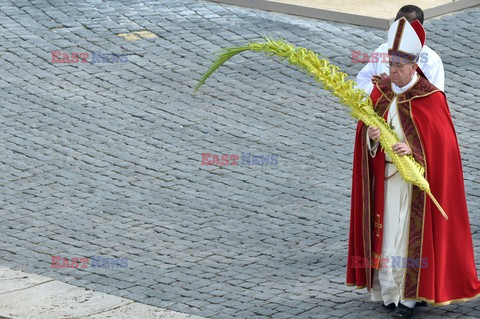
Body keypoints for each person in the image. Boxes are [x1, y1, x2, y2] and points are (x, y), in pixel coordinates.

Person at [346, 17, 480, 318]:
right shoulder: (380, 91)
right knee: (387, 236)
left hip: (412, 184)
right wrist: (370, 138)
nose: (392, 71)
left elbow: (443, 148)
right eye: (390, 64)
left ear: (414, 65)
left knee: (403, 239)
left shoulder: (430, 98)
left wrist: (415, 151)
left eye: (398, 66)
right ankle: (388, 290)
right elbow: (365, 133)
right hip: (385, 179)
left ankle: (409, 295)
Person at [356, 5, 444, 95]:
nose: (400, 30)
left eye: (407, 27)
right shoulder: (382, 50)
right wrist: (377, 86)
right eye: (397, 24)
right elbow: (362, 82)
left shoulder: (432, 60)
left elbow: (433, 95)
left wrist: (390, 85)